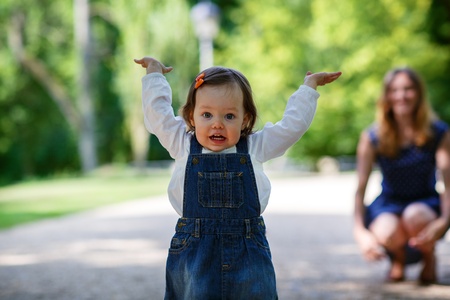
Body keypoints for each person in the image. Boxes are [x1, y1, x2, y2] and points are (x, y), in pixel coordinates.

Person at [135, 56, 341, 299]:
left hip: (248, 251)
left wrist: (308, 89)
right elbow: (157, 114)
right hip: (195, 252)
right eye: (207, 115)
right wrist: (155, 75)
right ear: (191, 117)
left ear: (245, 119)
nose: (217, 125)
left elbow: (291, 127)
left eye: (229, 116)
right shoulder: (181, 143)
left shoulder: (255, 146)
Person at [353, 67, 450, 285]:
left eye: (408, 89)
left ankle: (428, 256)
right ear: (386, 96)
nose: (401, 95)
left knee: (415, 214)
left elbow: (448, 185)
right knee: (386, 230)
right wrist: (360, 232)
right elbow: (360, 189)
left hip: (425, 204)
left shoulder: (439, 133)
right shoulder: (372, 136)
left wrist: (444, 221)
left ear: (419, 93)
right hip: (389, 203)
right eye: (395, 90)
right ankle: (398, 258)